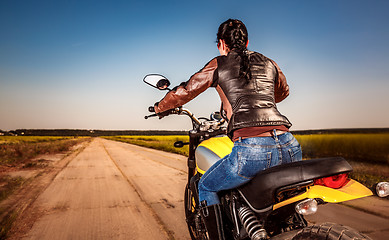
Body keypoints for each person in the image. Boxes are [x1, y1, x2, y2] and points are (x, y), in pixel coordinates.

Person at [154, 19, 302, 239]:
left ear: (221, 43)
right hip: (290, 146)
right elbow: (282, 92)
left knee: (206, 186)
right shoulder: (269, 63)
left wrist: (160, 107)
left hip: (254, 150)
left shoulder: (220, 63)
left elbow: (185, 91)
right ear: (247, 41)